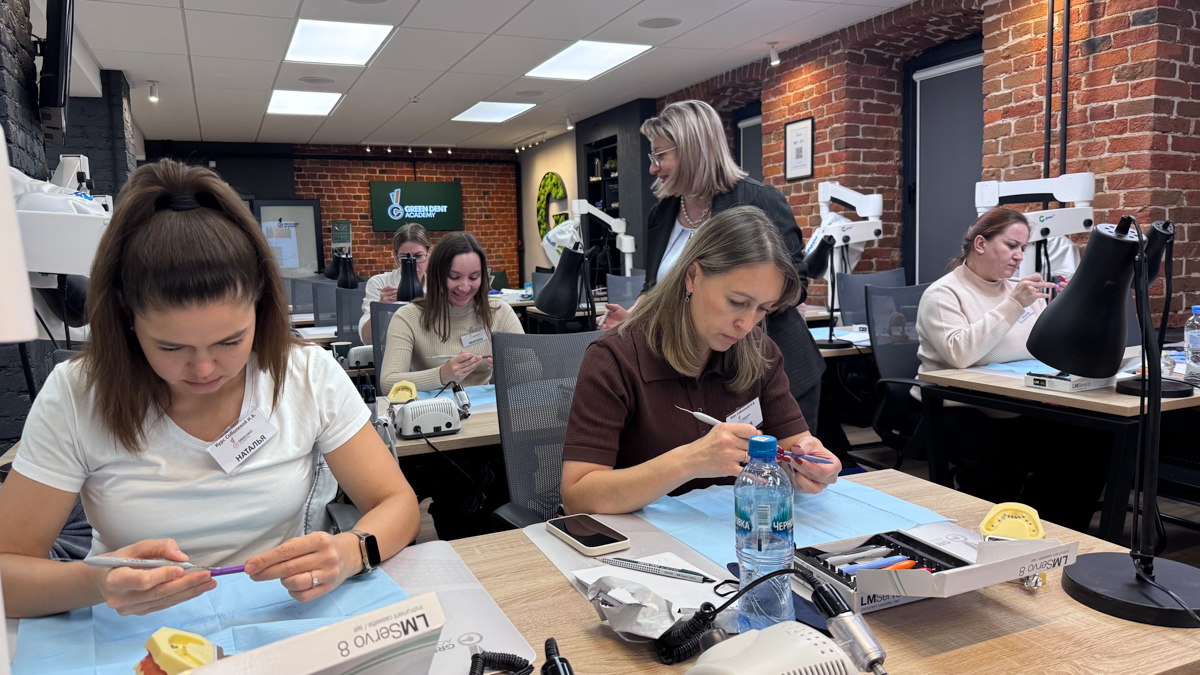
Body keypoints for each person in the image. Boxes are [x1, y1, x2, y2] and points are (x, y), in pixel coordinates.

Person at [0, 160, 420, 618]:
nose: (203, 369)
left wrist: (353, 550)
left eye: (230, 341)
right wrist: (98, 584)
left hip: (282, 615)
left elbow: (397, 503)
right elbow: (9, 571)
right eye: (171, 347)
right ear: (126, 315)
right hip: (135, 629)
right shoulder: (77, 395)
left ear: (260, 305)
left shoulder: (307, 375)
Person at [562, 206, 841, 515]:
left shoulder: (761, 353)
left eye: (763, 308)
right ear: (692, 277)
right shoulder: (614, 359)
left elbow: (795, 451)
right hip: (644, 538)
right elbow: (577, 495)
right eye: (737, 302)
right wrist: (690, 461)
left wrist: (808, 466)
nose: (748, 324)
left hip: (736, 530)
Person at [598, 100, 826, 433]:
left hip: (772, 369)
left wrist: (741, 304)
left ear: (693, 150)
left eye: (660, 156)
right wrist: (634, 315)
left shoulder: (758, 200)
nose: (653, 169)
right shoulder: (661, 215)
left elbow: (795, 287)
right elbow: (658, 288)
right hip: (706, 373)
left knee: (781, 462)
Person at [916, 207, 1105, 531]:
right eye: (1011, 245)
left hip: (1018, 402)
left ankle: (1048, 528)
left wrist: (1071, 308)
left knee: (1092, 443)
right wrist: (1014, 303)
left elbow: (1049, 348)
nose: (1019, 256)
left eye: (1023, 248)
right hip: (957, 407)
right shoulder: (944, 294)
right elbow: (960, 354)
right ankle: (993, 531)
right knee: (1007, 455)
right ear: (980, 244)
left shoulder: (1022, 291)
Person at [378, 231, 523, 394]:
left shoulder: (500, 312)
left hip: (486, 408)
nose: (464, 287)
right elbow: (388, 383)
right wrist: (441, 375)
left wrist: (511, 369)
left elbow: (535, 369)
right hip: (431, 408)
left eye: (474, 277)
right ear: (437, 275)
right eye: (454, 277)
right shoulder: (407, 317)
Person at [359, 223, 431, 345]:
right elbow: (367, 339)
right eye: (404, 258)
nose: (413, 264)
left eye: (418, 256)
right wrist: (381, 308)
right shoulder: (380, 283)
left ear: (429, 253)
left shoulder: (439, 285)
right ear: (396, 256)